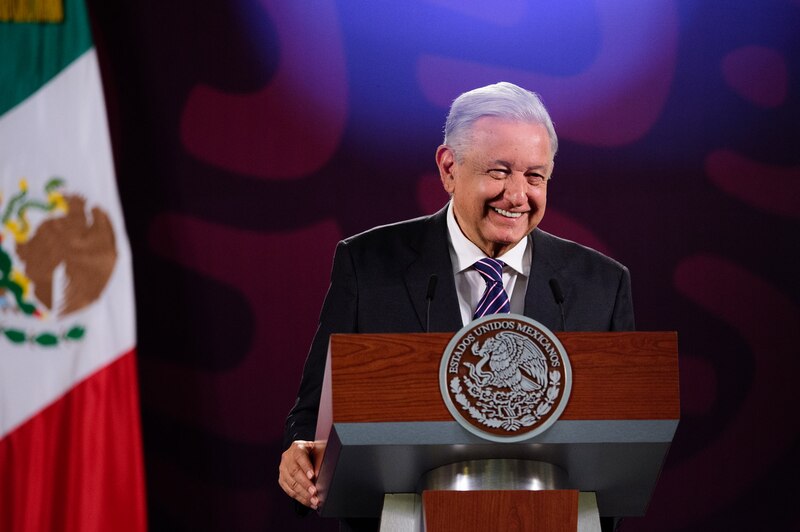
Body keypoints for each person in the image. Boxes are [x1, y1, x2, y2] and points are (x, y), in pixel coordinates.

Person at [278, 81, 634, 531]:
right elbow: (314, 414)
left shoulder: (601, 285)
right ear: (449, 168)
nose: (518, 196)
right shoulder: (368, 266)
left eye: (535, 176)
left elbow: (625, 439)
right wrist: (301, 452)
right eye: (500, 171)